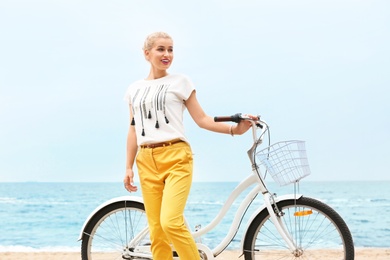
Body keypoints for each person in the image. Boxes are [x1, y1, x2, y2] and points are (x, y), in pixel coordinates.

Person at [123, 31, 255, 260]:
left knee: (171, 222)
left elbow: (202, 119)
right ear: (147, 54)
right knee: (157, 231)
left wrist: (235, 129)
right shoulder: (134, 90)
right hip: (145, 160)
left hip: (176, 157)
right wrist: (128, 167)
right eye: (161, 49)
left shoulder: (181, 82)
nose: (167, 54)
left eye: (171, 49)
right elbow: (133, 129)